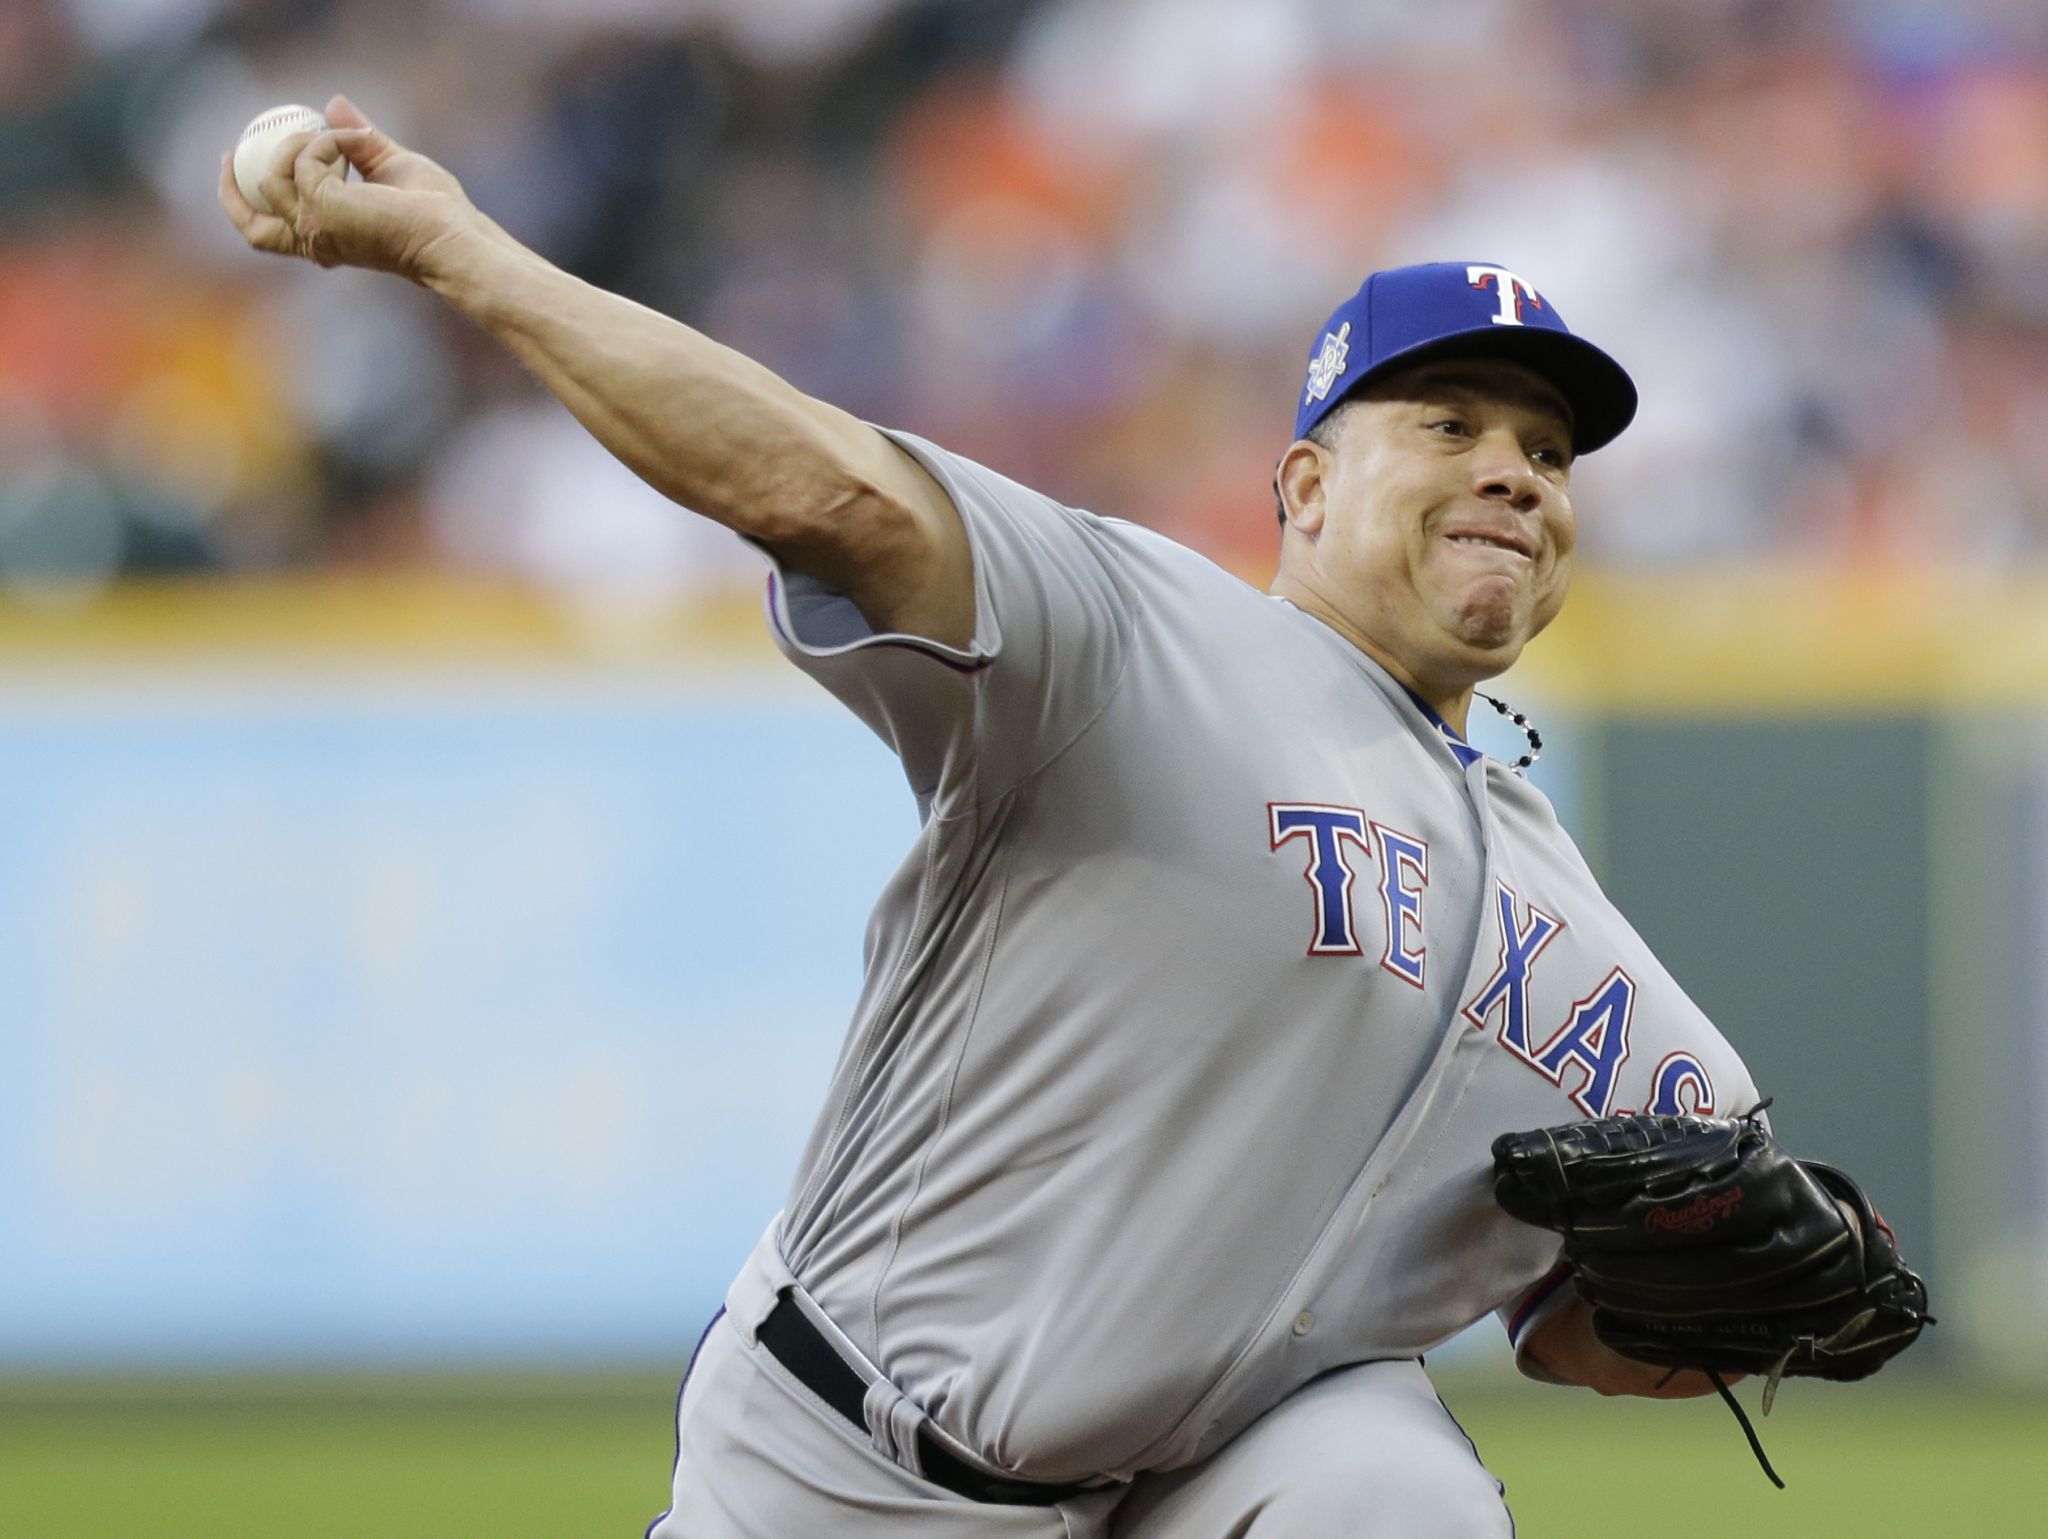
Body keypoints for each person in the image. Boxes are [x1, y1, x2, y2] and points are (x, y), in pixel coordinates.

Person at [223, 97, 1768, 1538]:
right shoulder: (1137, 633)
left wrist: (1716, 1317)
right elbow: (829, 497)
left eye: (1548, 454)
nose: (1513, 474)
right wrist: (456, 251)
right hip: (844, 1458)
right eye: (1448, 426)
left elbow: (1589, 1335)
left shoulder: (1605, 973)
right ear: (1303, 489)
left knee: (1394, 1496)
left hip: (1205, 1472)